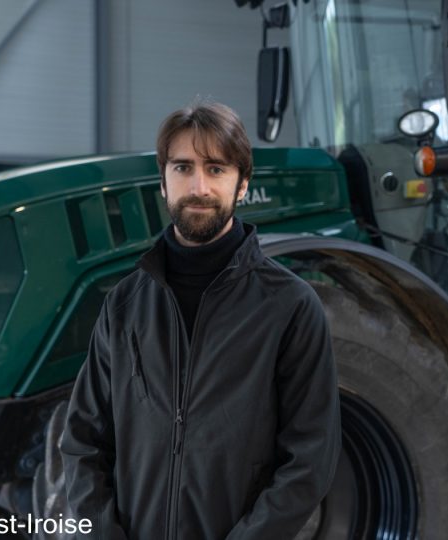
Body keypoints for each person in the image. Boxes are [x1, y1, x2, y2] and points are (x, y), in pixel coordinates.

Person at [60, 102, 341, 539]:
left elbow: (310, 459)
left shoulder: (290, 307)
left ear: (242, 184)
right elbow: (81, 441)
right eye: (183, 168)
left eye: (216, 169)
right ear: (163, 182)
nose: (199, 187)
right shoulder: (124, 305)